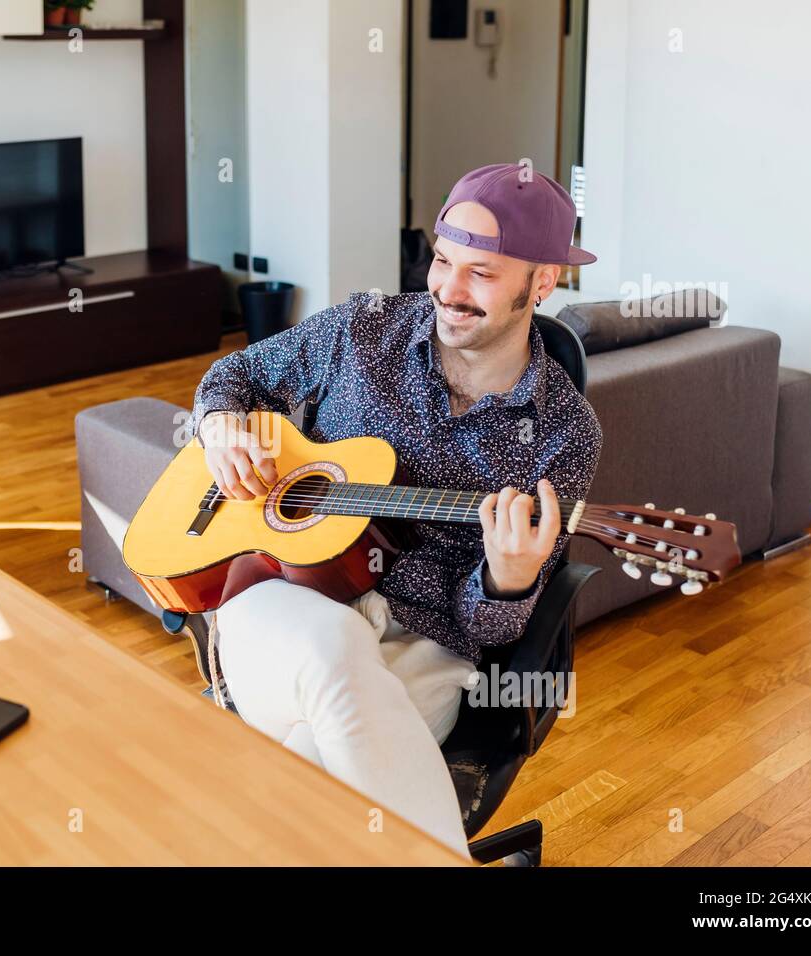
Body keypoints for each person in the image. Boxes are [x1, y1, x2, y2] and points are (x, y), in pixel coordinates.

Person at [188, 163, 603, 856]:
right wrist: (219, 426)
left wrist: (508, 578)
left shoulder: (564, 434)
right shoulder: (362, 329)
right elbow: (235, 376)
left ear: (543, 281)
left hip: (426, 644)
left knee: (297, 796)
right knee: (332, 642)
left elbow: (491, 628)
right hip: (274, 595)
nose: (448, 289)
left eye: (482, 273)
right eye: (443, 261)